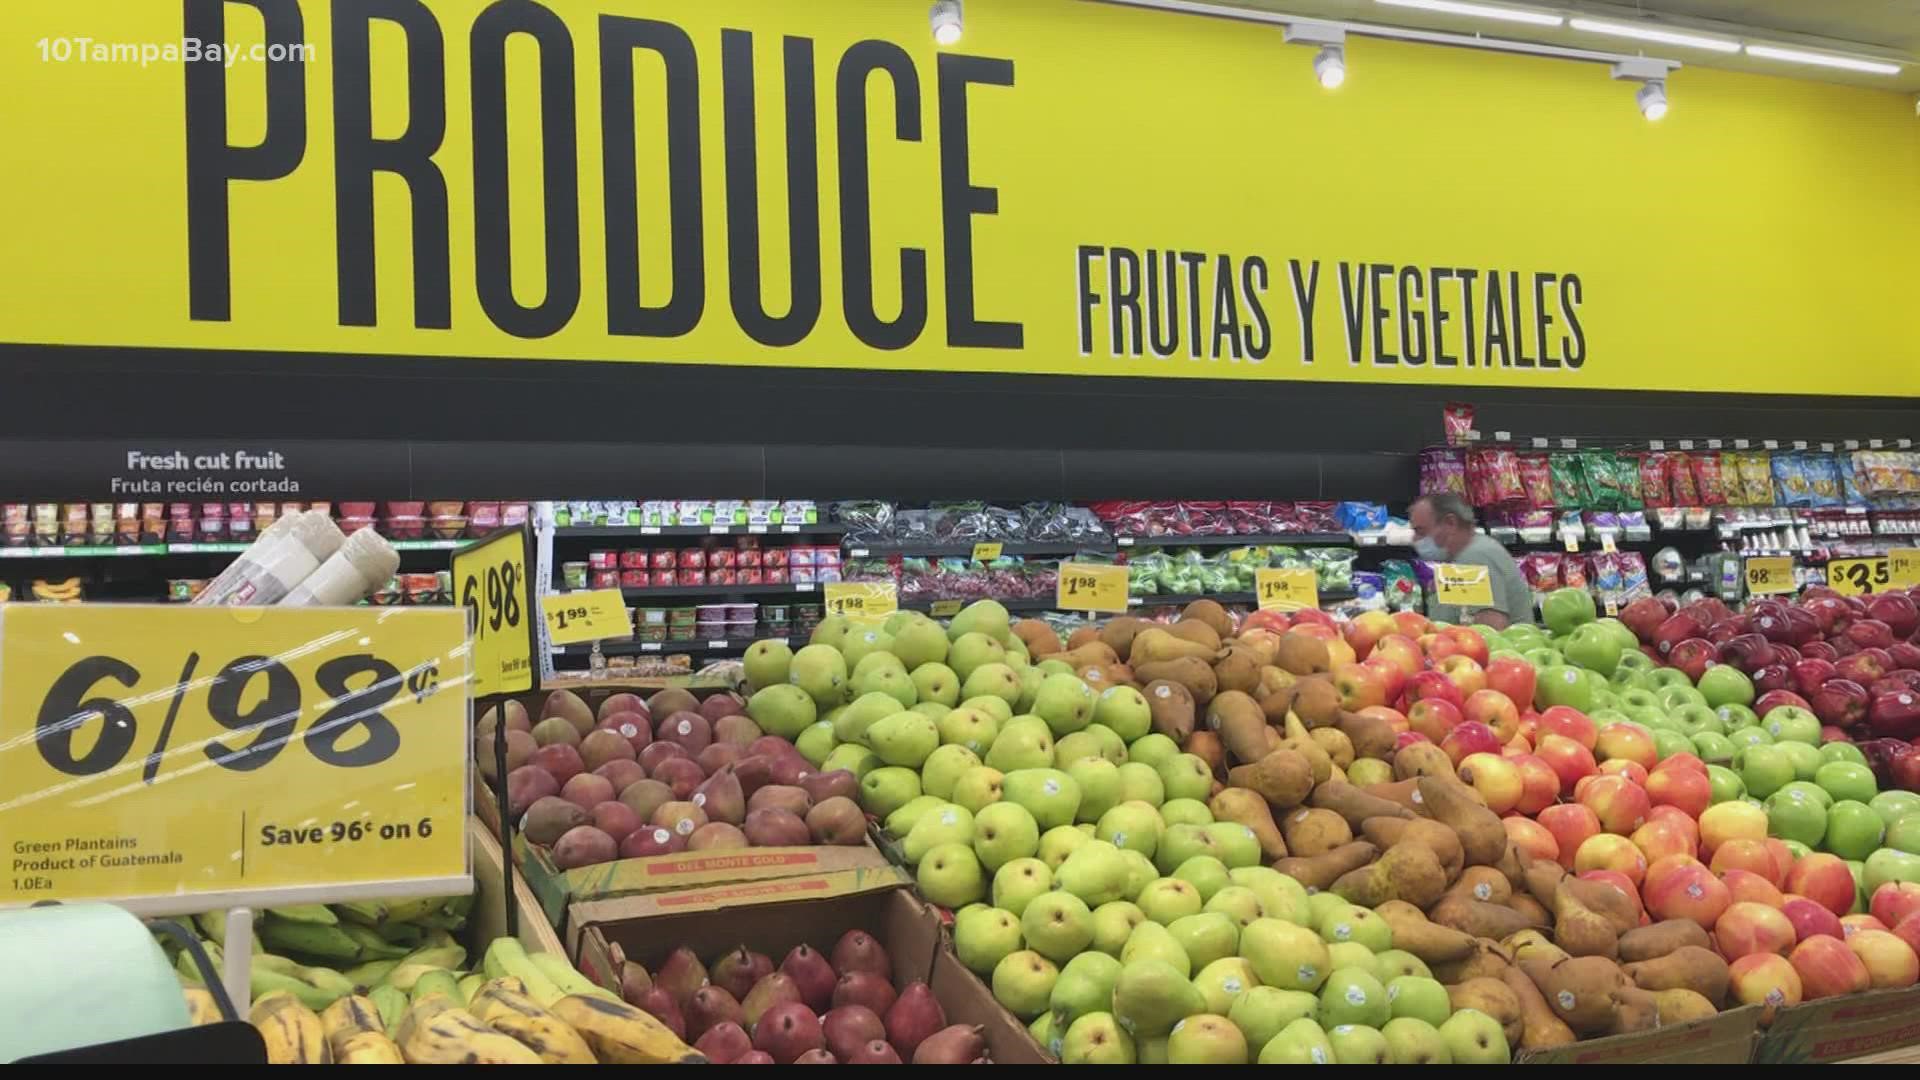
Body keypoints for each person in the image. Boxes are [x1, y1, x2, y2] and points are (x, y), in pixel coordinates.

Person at [1408, 492, 1534, 629]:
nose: (1415, 540)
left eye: (1421, 531)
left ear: (1450, 523)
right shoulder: (1466, 555)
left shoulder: (1474, 559)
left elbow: (1490, 631)